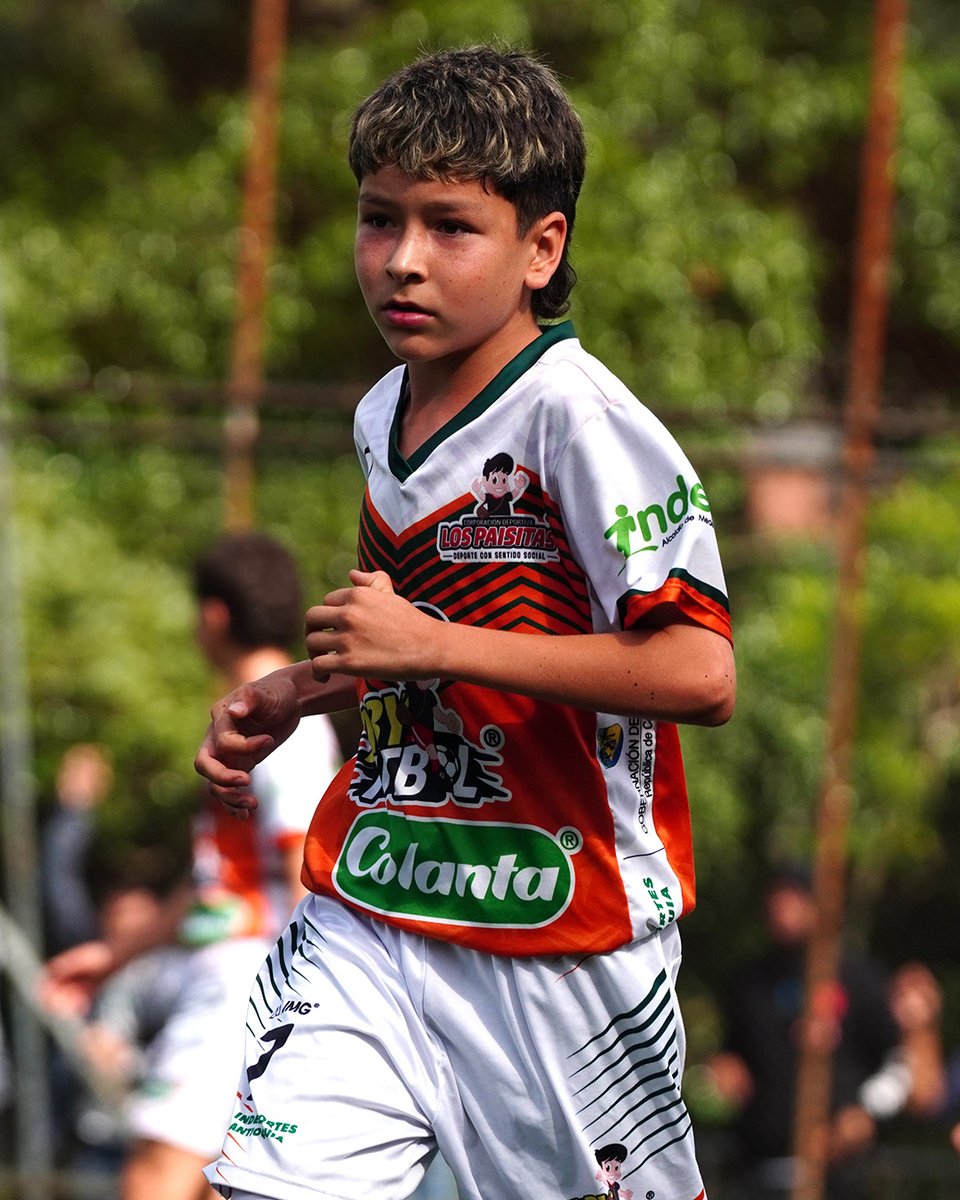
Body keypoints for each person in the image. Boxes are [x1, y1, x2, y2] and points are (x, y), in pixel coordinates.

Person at [195, 46, 735, 1200]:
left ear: (542, 249)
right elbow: (405, 636)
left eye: (450, 227)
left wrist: (430, 647)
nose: (403, 259)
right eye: (378, 219)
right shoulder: (381, 413)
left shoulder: (582, 422)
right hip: (377, 896)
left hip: (560, 931)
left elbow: (700, 670)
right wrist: (304, 689)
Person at [42, 533, 343, 1200]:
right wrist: (113, 956)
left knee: (156, 1169)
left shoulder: (285, 728)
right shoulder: (259, 715)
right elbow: (212, 884)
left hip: (248, 983)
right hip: (247, 981)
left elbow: (306, 869)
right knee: (218, 1185)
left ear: (213, 615)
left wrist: (302, 1011)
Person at [708, 866, 909, 1200]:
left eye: (793, 898)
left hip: (837, 1174)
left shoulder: (860, 978)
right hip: (758, 1168)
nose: (783, 909)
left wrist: (866, 1112)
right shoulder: (748, 983)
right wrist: (725, 1070)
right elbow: (733, 1054)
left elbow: (898, 1063)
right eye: (776, 899)